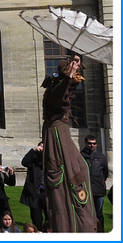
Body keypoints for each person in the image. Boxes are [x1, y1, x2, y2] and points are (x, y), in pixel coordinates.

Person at [42, 54, 97, 232]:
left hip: (61, 134)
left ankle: (84, 222)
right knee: (68, 175)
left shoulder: (62, 88)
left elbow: (68, 88)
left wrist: (75, 69)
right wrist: (68, 76)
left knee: (80, 169)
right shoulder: (52, 93)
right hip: (56, 136)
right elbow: (60, 94)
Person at [20, 142, 46, 231]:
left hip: (46, 193)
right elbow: (24, 162)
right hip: (35, 193)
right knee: (36, 217)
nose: (42, 148)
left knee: (49, 216)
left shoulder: (49, 159)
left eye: (44, 146)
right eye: (41, 146)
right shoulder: (33, 158)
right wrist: (33, 150)